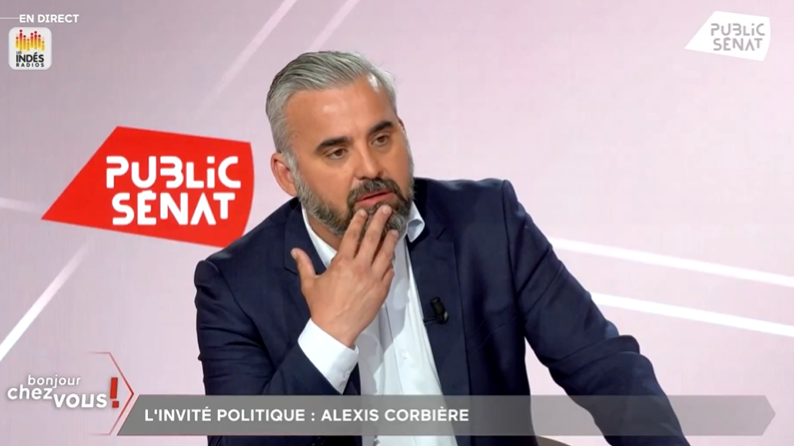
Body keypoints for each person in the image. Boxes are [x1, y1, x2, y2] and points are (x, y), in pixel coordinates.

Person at [194, 51, 689, 446]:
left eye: (381, 138)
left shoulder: (487, 221)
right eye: (338, 151)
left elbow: (606, 367)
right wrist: (330, 334)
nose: (370, 168)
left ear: (403, 133)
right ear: (287, 175)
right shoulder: (234, 286)